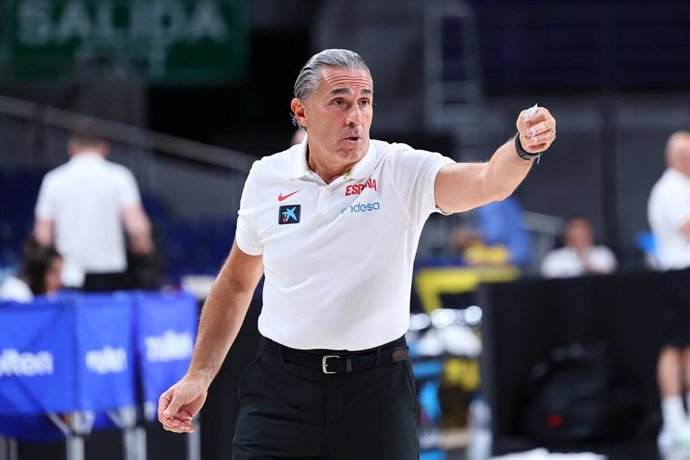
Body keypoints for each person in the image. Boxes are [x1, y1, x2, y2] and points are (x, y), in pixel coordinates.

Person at [157, 49, 556, 459]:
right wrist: (198, 375)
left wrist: (523, 149)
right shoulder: (267, 176)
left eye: (364, 102)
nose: (355, 116)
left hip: (375, 391)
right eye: (339, 102)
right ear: (301, 111)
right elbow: (238, 281)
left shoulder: (400, 169)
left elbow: (487, 180)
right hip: (281, 388)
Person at [33, 121, 153, 291]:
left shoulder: (53, 180)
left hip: (67, 274)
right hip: (110, 272)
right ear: (104, 148)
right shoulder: (119, 177)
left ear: (72, 148)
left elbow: (42, 237)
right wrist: (142, 247)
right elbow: (137, 227)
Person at [648, 130, 690, 452]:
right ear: (670, 157)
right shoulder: (671, 189)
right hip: (679, 274)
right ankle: (674, 418)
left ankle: (680, 415)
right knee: (677, 345)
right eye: (682, 153)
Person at [540, 217, 617, 278]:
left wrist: (585, 260)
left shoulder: (603, 253)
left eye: (583, 235)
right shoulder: (554, 258)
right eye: (576, 236)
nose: (579, 238)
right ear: (567, 236)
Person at [0, 237, 63, 301]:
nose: (60, 281)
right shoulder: (16, 291)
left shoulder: (50, 295)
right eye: (56, 273)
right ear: (40, 273)